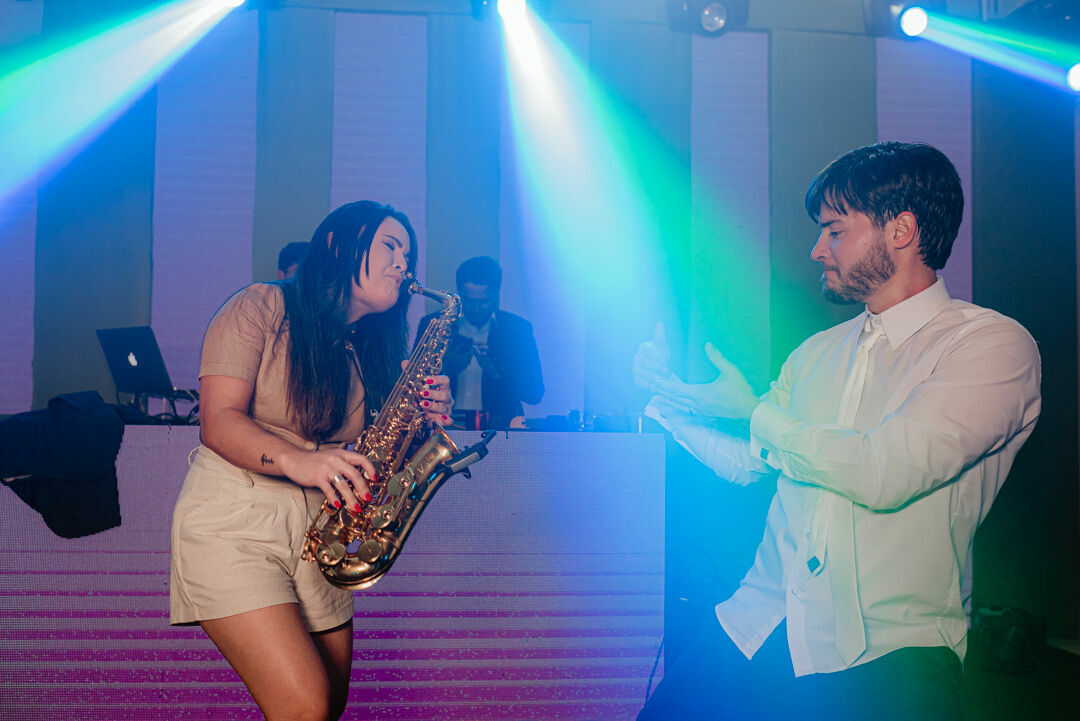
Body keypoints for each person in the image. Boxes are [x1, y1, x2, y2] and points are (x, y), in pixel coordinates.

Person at [633, 142, 1041, 720]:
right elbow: (750, 463)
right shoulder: (815, 352)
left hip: (892, 650)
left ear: (901, 230)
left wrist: (751, 411)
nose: (815, 249)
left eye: (834, 231)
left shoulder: (990, 346)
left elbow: (885, 473)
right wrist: (669, 405)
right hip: (758, 620)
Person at [170, 201, 454, 721]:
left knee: (327, 708)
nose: (404, 265)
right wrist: (302, 459)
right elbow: (218, 421)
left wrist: (422, 423)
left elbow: (375, 462)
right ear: (335, 245)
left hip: (318, 535)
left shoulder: (366, 349)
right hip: (233, 523)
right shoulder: (261, 306)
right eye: (390, 246)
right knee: (304, 705)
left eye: (408, 254)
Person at [416, 255, 543, 427]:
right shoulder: (433, 325)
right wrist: (447, 368)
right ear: (459, 294)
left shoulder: (517, 330)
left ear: (497, 294)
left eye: (484, 302)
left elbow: (534, 393)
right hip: (443, 424)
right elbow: (414, 386)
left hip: (499, 430)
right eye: (469, 301)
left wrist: (497, 371)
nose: (476, 308)